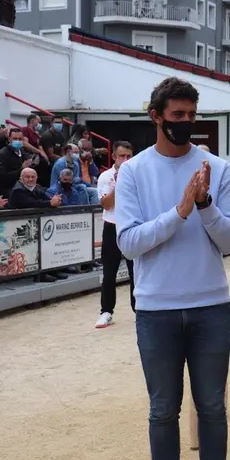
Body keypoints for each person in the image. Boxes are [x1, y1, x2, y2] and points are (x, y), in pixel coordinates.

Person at [116, 76, 230, 460]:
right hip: (156, 308)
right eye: (177, 116)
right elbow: (129, 243)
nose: (186, 124)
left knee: (212, 405)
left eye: (191, 115)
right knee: (162, 408)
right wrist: (180, 211)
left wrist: (206, 203)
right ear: (156, 116)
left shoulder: (217, 167)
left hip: (211, 304)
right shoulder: (133, 172)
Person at [95, 141, 136, 329]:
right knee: (109, 272)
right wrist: (117, 184)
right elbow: (107, 205)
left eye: (129, 156)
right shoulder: (105, 177)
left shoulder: (138, 173)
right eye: (122, 156)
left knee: (136, 270)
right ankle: (106, 311)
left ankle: (140, 309)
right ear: (114, 157)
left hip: (132, 225)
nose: (126, 160)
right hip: (112, 226)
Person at [0, 127, 43, 198]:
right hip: (8, 189)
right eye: (15, 139)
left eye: (20, 139)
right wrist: (21, 169)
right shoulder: (2, 154)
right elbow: (2, 178)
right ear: (9, 139)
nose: (17, 141)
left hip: (24, 186)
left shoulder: (23, 152)